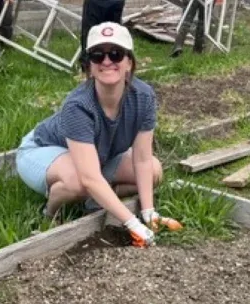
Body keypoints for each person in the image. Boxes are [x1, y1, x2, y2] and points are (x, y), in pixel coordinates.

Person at [15, 22, 182, 247]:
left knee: (154, 171)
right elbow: (90, 177)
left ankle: (93, 201)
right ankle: (50, 214)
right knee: (79, 182)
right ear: (90, 67)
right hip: (43, 149)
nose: (107, 61)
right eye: (97, 56)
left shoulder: (143, 97)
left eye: (116, 54)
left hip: (97, 156)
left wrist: (148, 212)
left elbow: (141, 158)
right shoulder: (78, 106)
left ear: (129, 63)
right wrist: (132, 223)